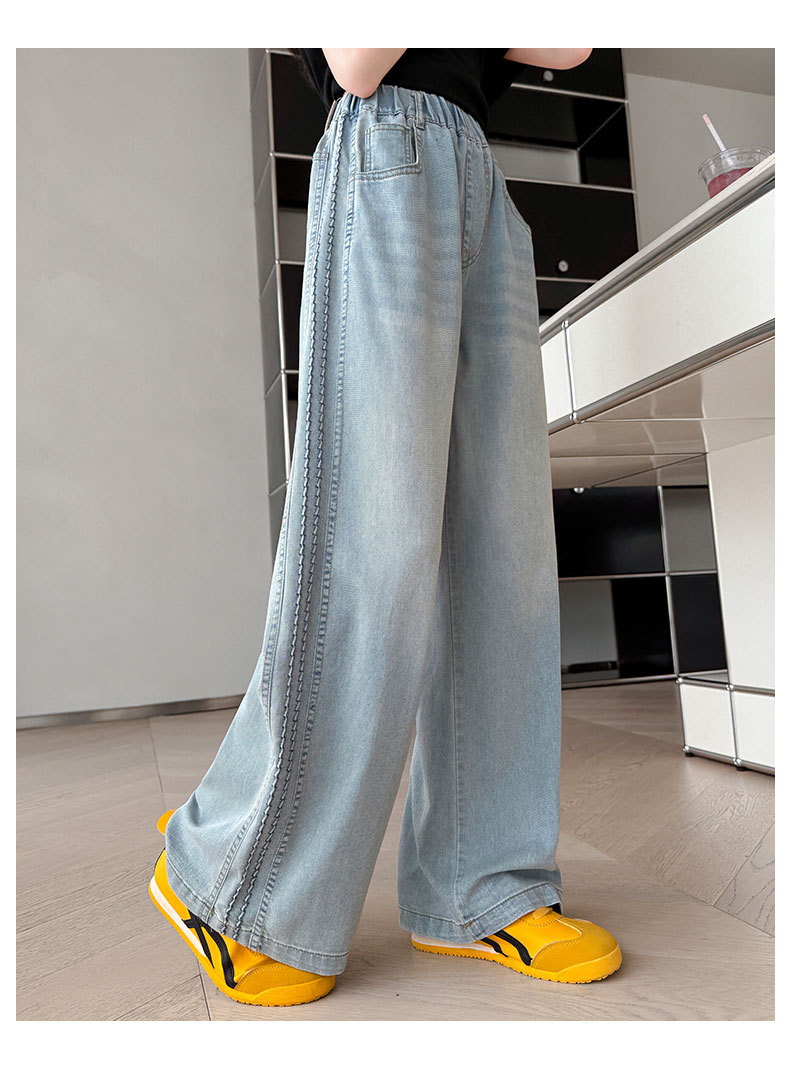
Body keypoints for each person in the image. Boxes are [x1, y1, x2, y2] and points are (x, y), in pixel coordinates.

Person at [149, 47, 622, 1008]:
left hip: (480, 177)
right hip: (388, 150)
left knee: (507, 557)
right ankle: (239, 877)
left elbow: (569, 43)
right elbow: (357, 59)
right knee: (376, 543)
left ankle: (478, 886)